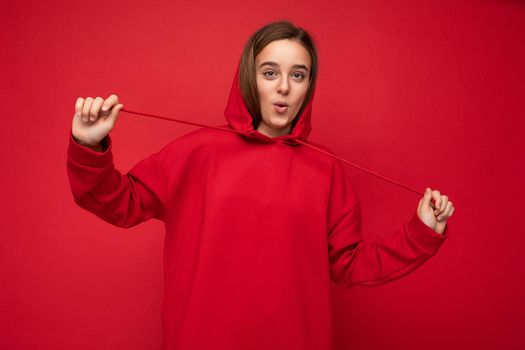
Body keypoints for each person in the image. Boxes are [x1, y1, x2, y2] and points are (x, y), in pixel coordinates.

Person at [67, 20, 455, 350]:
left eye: (297, 75)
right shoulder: (197, 151)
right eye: (269, 72)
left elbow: (348, 264)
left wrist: (420, 233)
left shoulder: (325, 168)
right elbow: (119, 201)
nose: (283, 87)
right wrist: (88, 144)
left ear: (309, 85)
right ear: (248, 78)